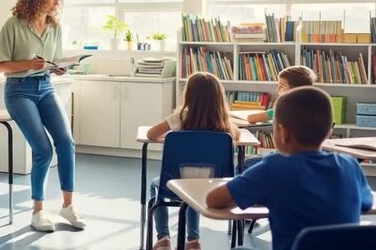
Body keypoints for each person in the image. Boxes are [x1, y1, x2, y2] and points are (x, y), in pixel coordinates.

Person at [206, 87, 373, 250]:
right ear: (329, 133)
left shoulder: (273, 168)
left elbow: (213, 200)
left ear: (282, 133)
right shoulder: (350, 166)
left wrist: (262, 194)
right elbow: (366, 204)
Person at [0, 0, 85, 232]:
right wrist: (28, 64)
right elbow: (0, 65)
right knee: (43, 150)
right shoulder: (13, 25)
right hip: (18, 91)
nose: (56, 2)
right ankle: (38, 211)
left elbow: (52, 60)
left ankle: (68, 206)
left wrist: (59, 67)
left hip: (45, 86)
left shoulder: (54, 27)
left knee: (66, 142)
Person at [147, 72, 240, 250]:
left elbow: (151, 134)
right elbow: (235, 135)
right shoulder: (224, 122)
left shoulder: (180, 118)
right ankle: (193, 240)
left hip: (175, 184)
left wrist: (174, 136)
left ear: (189, 94)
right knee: (194, 189)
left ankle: (163, 238)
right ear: (218, 96)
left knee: (156, 186)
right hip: (213, 187)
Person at [247, 65, 316, 124]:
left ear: (294, 90)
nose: (278, 89)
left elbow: (251, 118)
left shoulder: (285, 108)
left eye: (281, 86)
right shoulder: (313, 106)